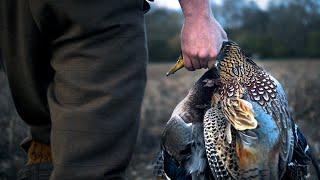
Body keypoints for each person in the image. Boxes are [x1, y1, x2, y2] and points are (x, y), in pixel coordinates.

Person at [0, 0, 227, 179]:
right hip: (97, 10)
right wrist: (198, 16)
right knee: (90, 164)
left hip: (16, 10)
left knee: (45, 141)